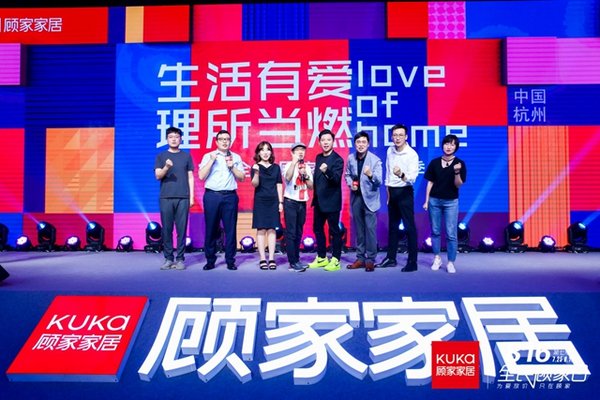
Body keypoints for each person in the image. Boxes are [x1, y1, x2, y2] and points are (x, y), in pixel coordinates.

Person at [198, 129, 245, 270]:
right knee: (211, 228)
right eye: (222, 139)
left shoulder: (236, 157)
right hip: (212, 196)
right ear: (216, 141)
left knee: (230, 229)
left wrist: (232, 167)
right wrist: (211, 161)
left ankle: (230, 260)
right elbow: (201, 176)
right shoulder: (209, 156)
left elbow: (241, 177)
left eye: (227, 139)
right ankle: (210, 260)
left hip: (230, 196)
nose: (225, 141)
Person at [376, 124, 420, 272]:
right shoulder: (390, 150)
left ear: (406, 137)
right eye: (395, 135)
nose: (397, 138)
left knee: (409, 227)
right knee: (393, 227)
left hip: (405, 192)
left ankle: (412, 261)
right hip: (392, 192)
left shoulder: (412, 154)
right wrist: (388, 193)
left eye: (401, 135)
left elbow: (412, 178)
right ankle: (391, 258)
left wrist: (401, 174)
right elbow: (388, 174)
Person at [423, 134, 467, 274]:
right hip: (434, 201)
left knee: (451, 233)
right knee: (435, 231)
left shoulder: (459, 163)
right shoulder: (434, 163)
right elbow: (430, 183)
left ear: (456, 147)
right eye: (447, 144)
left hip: (451, 202)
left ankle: (451, 262)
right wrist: (426, 200)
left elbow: (458, 184)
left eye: (452, 144)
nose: (449, 147)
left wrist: (457, 172)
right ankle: (437, 258)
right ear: (442, 145)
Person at [154, 126, 194, 270]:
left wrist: (191, 197)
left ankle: (180, 259)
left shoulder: (186, 156)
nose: (174, 139)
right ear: (167, 139)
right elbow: (158, 176)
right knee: (167, 229)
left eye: (176, 137)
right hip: (166, 197)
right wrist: (166, 167)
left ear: (181, 139)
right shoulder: (161, 156)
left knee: (181, 230)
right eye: (171, 137)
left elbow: (190, 177)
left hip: (183, 197)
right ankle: (168, 258)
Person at [344, 131, 382, 272]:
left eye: (363, 142)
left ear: (368, 144)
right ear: (355, 144)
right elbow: (347, 175)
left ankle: (370, 259)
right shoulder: (351, 158)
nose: (361, 145)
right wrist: (351, 184)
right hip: (356, 198)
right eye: (358, 142)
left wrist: (370, 175)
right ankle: (360, 258)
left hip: (370, 199)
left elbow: (379, 181)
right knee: (359, 230)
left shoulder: (375, 160)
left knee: (370, 230)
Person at [308, 129, 344, 272]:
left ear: (333, 141)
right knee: (317, 229)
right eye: (323, 140)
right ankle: (322, 257)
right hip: (319, 201)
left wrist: (326, 171)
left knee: (334, 231)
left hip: (332, 201)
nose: (326, 143)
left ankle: (336, 259)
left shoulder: (338, 159)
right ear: (319, 142)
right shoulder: (318, 157)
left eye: (328, 140)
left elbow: (336, 180)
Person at [251, 141, 283, 270]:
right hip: (260, 201)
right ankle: (262, 258)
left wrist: (280, 202)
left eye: (268, 149)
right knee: (261, 229)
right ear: (258, 153)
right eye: (262, 150)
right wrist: (256, 172)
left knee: (272, 229)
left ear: (271, 152)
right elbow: (254, 184)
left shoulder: (276, 168)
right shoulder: (255, 167)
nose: (265, 152)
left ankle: (271, 258)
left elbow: (279, 185)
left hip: (273, 201)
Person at [282, 142, 313, 273]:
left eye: (302, 150)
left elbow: (311, 186)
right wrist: (294, 163)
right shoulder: (288, 165)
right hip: (290, 202)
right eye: (298, 150)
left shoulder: (307, 167)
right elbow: (288, 178)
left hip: (302, 203)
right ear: (292, 153)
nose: (301, 152)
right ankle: (292, 262)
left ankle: (297, 259)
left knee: (299, 232)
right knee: (291, 233)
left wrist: (306, 175)